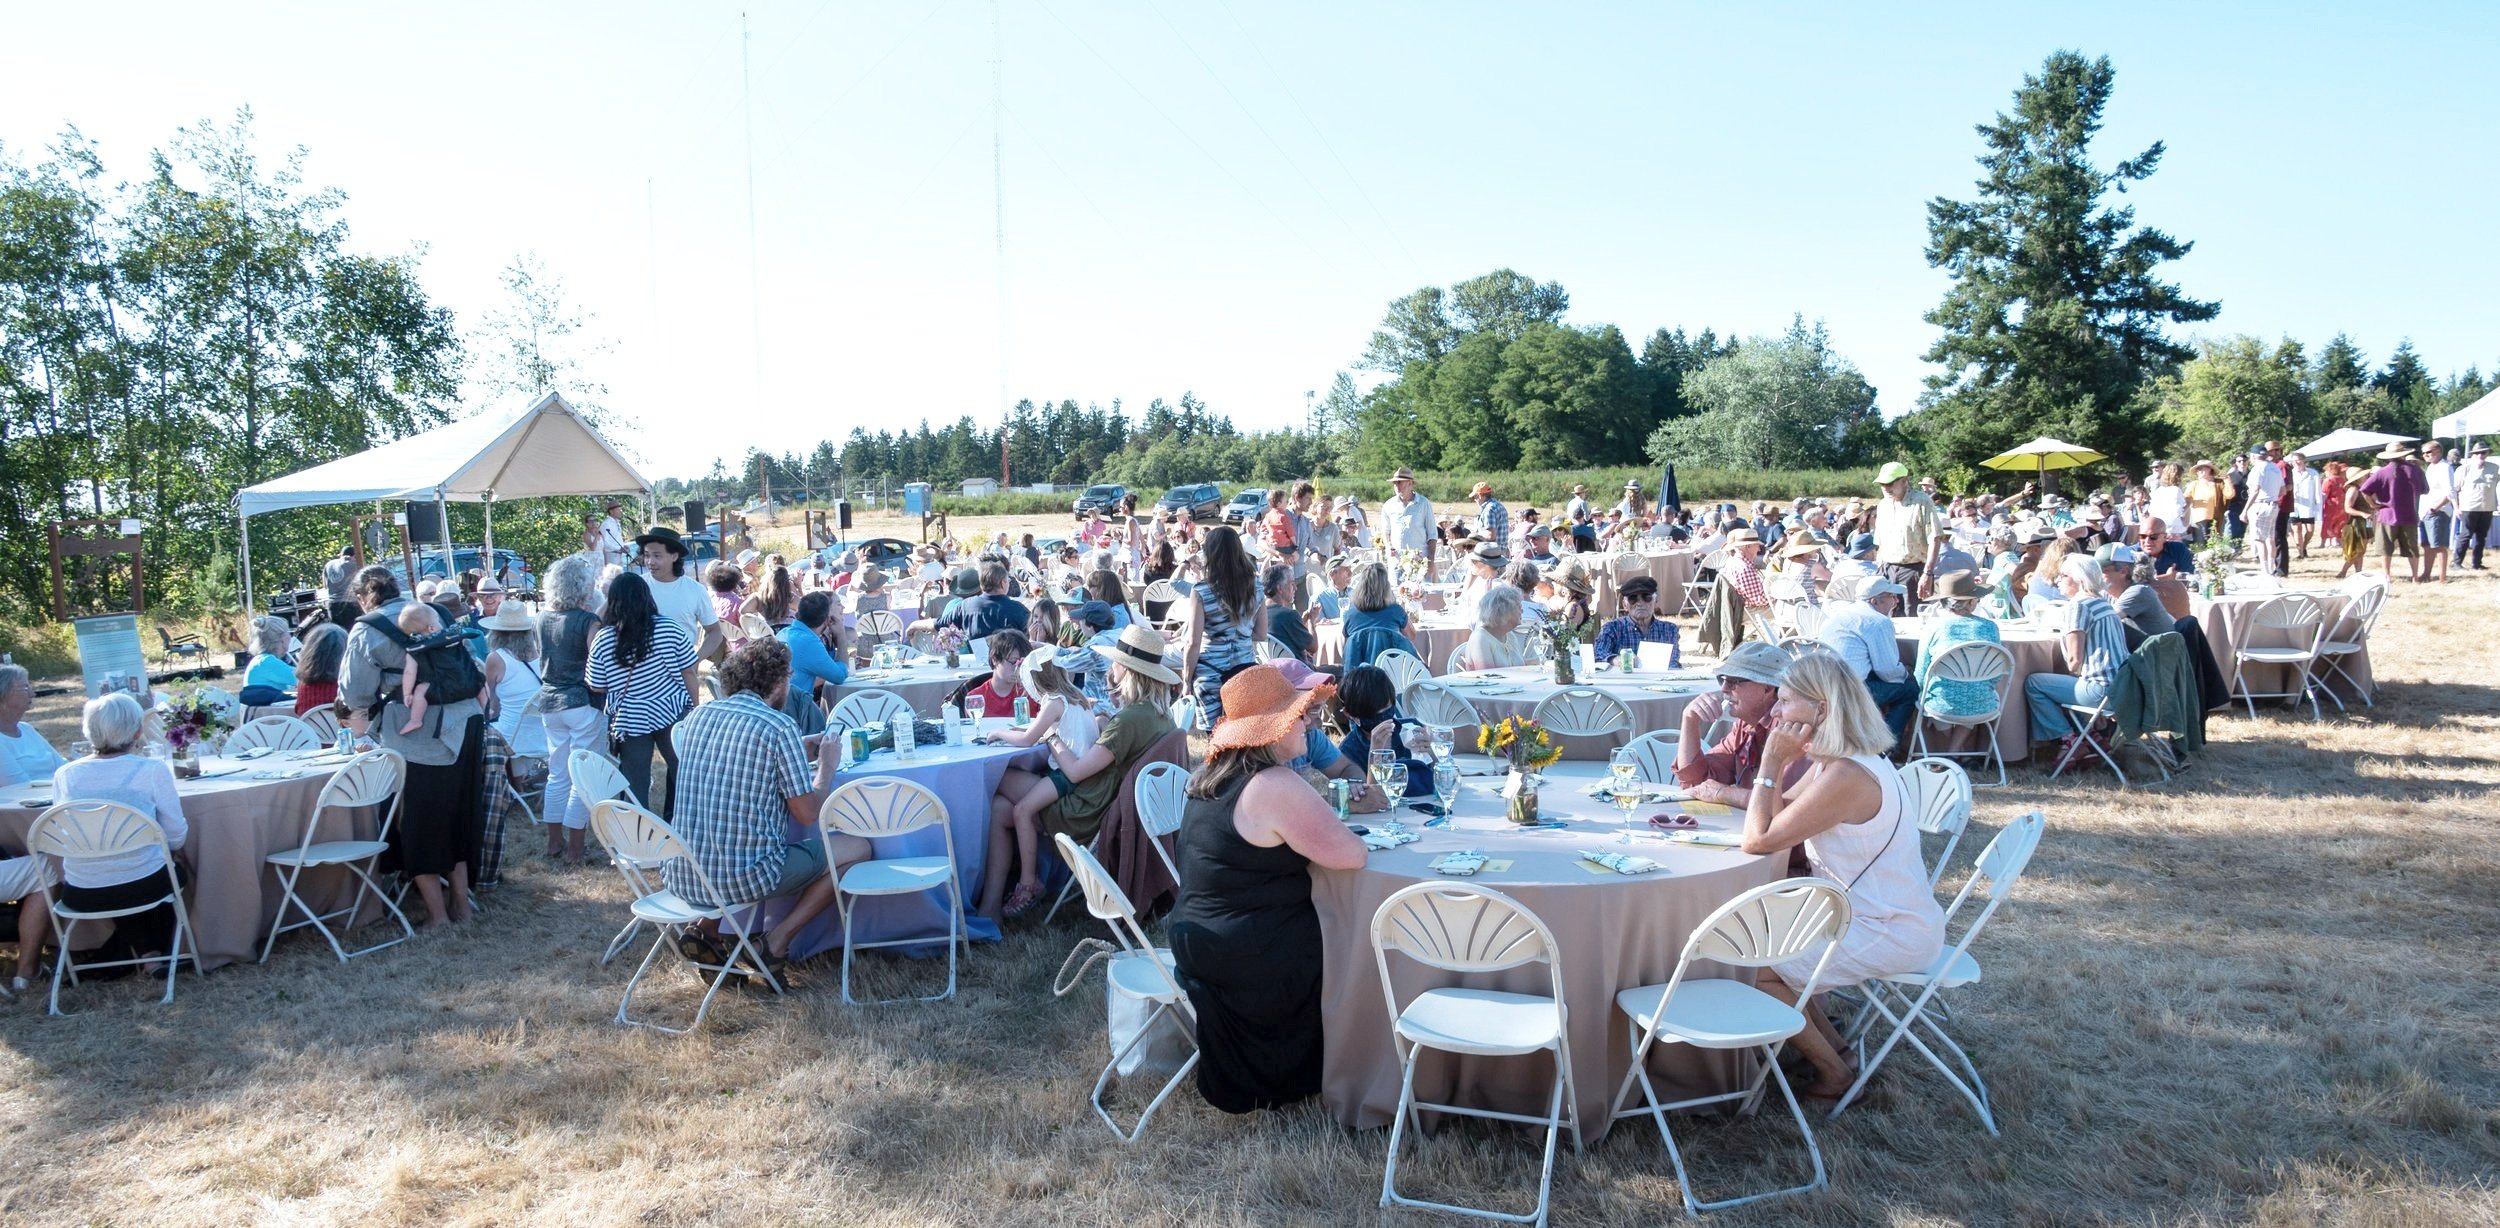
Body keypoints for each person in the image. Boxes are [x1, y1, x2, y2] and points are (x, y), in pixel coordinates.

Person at [1737, 652, 1946, 1100]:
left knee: (1753, 970)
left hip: (1888, 928)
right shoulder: (1842, 760)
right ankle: (1841, 1053)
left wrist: (1770, 764)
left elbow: (1758, 840)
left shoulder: (1849, 774)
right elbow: (1778, 815)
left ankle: (1834, 1074)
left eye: (1786, 701)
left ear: (1822, 710)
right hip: (1868, 916)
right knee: (1773, 944)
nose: (1774, 712)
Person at [1167, 663, 1369, 1113]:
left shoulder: (1213, 775)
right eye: (1299, 715)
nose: (1309, 721)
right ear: (1273, 729)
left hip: (1197, 938)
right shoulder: (1275, 784)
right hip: (1246, 951)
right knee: (1353, 935)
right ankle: (1362, 1063)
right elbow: (1351, 856)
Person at [665, 639, 871, 985]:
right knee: (858, 847)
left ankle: (707, 930)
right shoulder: (777, 727)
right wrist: (827, 767)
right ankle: (776, 942)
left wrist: (800, 750)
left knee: (733, 840)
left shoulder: (698, 717)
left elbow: (736, 769)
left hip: (683, 871)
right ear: (778, 682)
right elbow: (808, 814)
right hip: (743, 876)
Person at [978, 624, 1181, 923]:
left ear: (1127, 670)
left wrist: (1051, 735)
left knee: (1002, 781)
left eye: (1115, 662)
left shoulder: (1129, 720)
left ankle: (1012, 894)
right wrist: (1100, 723)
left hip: (1089, 809)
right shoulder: (1158, 715)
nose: (1111, 667)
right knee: (1001, 809)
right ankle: (1008, 896)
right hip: (1113, 803)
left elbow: (1073, 773)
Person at [48, 693, 194, 974]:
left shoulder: (65, 775)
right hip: (141, 885)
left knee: (126, 871)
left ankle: (139, 955)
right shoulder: (151, 770)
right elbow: (176, 835)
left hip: (81, 890)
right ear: (138, 731)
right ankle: (151, 957)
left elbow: (67, 831)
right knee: (165, 872)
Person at [977, 647, 1102, 918]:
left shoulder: (1053, 702)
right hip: (1080, 777)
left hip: (1066, 780)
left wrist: (998, 732)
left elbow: (1028, 740)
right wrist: (1017, 730)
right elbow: (1040, 730)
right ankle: (1013, 885)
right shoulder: (1076, 697)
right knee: (1004, 799)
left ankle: (1028, 881)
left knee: (1022, 810)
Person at [587, 573, 697, 820]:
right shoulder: (668, 627)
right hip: (672, 709)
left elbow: (596, 685)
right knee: (684, 772)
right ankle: (686, 825)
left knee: (634, 782)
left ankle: (637, 834)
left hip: (630, 717)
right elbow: (689, 670)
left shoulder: (603, 639)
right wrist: (695, 707)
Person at [531, 554, 606, 865]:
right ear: (583, 587)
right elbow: (598, 661)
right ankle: (576, 848)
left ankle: (554, 842)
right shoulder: (588, 622)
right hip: (582, 702)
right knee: (583, 775)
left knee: (557, 773)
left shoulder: (540, 618)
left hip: (550, 701)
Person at [1670, 641, 1808, 806]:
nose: (1724, 688)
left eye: (1734, 681)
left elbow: (1781, 804)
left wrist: (1724, 793)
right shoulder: (1745, 726)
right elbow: (1696, 783)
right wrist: (1689, 721)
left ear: (1768, 689)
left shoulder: (1792, 730)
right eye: (1722, 679)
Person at [2024, 556, 2129, 756]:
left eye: (2063, 575)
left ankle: (2068, 738)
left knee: (2034, 683)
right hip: (2123, 688)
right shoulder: (2104, 603)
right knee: (2067, 682)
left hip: (2100, 691)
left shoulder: (2078, 606)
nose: (2057, 580)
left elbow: (2074, 662)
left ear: (2079, 579)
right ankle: (2089, 735)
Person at [1815, 573, 1916, 743]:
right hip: (1849, 691)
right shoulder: (1878, 621)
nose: (1896, 601)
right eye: (1892, 596)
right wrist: (1908, 674)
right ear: (1874, 601)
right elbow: (1888, 671)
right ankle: (1885, 746)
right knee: (1909, 690)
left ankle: (1869, 733)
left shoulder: (1841, 614)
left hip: (1822, 683)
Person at [1181, 526, 1263, 721]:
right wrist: (1238, 632)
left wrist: (1186, 681)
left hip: (1211, 674)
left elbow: (1193, 642)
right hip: (1245, 671)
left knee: (1215, 740)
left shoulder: (1202, 591)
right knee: (1244, 738)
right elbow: (1261, 633)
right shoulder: (1256, 587)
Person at [1910, 570, 2004, 725]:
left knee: (1941, 693)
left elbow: (1921, 672)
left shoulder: (1933, 627)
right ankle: (1956, 747)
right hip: (1983, 704)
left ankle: (1944, 747)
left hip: (1941, 704)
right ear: (1971, 602)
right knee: (1972, 691)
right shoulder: (1990, 627)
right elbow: (1996, 674)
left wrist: (1923, 690)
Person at [635, 525, 726, 663]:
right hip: (644, 671)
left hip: (680, 669)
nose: (650, 561)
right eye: (647, 555)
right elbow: (606, 618)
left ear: (674, 556)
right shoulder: (636, 586)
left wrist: (695, 661)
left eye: (657, 556)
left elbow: (715, 633)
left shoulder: (695, 590)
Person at [1872, 461, 1944, 612]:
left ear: (1904, 481)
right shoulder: (1883, 505)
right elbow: (1879, 543)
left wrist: (1928, 573)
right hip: (1886, 568)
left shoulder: (1922, 501)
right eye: (1882, 483)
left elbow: (1935, 538)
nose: (1886, 487)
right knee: (1886, 617)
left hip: (1913, 570)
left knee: (1911, 619)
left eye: (1890, 483)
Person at [2357, 442, 2429, 584]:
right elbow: (2425, 490)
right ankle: (2415, 577)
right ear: (2403, 454)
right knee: (2412, 548)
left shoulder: (2382, 472)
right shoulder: (2416, 470)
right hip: (2410, 514)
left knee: (2386, 548)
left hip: (2387, 514)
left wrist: (2374, 505)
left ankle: (2387, 576)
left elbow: (2364, 490)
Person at [0, 664, 67, 788]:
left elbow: (63, 768)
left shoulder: (26, 729)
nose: (32, 694)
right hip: (28, 805)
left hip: (57, 799)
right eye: (25, 687)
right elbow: (19, 787)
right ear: (3, 695)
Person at [1593, 575, 1679, 668]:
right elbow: (1598, 654)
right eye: (1633, 598)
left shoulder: (1669, 630)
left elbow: (1673, 663)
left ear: (1655, 601)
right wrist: (1616, 660)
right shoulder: (1612, 628)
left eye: (1646, 597)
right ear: (1624, 605)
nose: (1640, 603)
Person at [2101, 544, 2173, 644]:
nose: (2098, 576)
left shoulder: (2139, 591)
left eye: (2103, 571)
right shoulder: (2107, 593)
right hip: (2144, 655)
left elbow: (2104, 622)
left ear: (2123, 571)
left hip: (2160, 656)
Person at [1456, 584, 1531, 671]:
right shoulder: (1480, 638)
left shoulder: (1510, 636)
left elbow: (1523, 669)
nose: (1522, 611)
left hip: (1515, 684)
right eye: (1519, 607)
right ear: (1505, 611)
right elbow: (1488, 677)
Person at [1379, 467, 1436, 575]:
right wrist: (1388, 545)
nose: (1396, 486)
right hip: (1396, 562)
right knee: (1396, 591)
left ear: (1410, 483)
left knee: (1421, 592)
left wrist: (1431, 561)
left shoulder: (1423, 503)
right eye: (1394, 483)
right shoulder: (1388, 505)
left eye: (1399, 482)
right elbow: (1386, 531)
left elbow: (1432, 535)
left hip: (1419, 563)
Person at [2455, 441, 2497, 571]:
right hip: (2469, 507)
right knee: (2466, 535)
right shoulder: (2464, 469)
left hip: (2487, 507)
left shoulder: (2494, 468)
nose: (2480, 455)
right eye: (2477, 453)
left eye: (2483, 452)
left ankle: (2476, 563)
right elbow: (2454, 490)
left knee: (2481, 537)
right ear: (2473, 454)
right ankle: (2456, 563)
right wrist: (2456, 507)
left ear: (2487, 453)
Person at [238, 615, 297, 707]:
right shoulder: (267, 662)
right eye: (289, 633)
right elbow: (303, 678)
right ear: (283, 638)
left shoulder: (261, 660)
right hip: (271, 716)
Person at [2417, 439, 2455, 583]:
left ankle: (2442, 577)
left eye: (2429, 452)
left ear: (2439, 451)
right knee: (2427, 545)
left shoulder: (2445, 467)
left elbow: (2450, 493)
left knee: (2438, 545)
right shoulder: (2431, 467)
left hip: (2438, 511)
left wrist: (2435, 508)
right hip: (2426, 512)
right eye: (2424, 453)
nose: (2426, 455)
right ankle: (2426, 574)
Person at [2245, 444, 2284, 579]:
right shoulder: (2275, 468)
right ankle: (2272, 566)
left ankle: (2264, 569)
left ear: (2254, 456)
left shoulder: (2257, 469)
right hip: (2273, 504)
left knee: (2259, 538)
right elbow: (2283, 490)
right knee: (2270, 538)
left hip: (2260, 505)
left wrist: (2245, 510)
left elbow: (2255, 490)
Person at [291, 622, 347, 718]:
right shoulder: (347, 683)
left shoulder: (303, 684)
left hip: (311, 732)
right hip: (347, 730)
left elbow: (298, 711)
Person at [596, 502, 628, 568]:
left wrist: (623, 546)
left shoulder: (617, 523)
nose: (620, 511)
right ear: (611, 511)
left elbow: (615, 539)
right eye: (618, 509)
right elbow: (605, 543)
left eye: (620, 509)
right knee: (613, 577)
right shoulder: (606, 524)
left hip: (619, 555)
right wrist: (619, 548)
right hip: (611, 556)